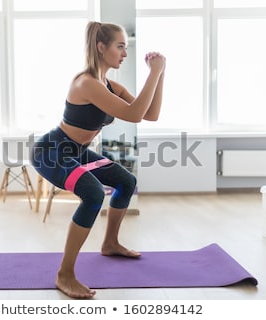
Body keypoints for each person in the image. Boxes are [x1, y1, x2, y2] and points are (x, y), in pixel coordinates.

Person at [31, 21, 165, 299]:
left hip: (76, 152)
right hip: (53, 151)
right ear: (101, 47)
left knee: (126, 181)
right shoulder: (87, 83)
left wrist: (160, 75)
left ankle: (110, 243)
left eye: (126, 48)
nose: (125, 54)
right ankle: (64, 274)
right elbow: (135, 115)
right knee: (92, 194)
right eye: (120, 47)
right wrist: (154, 71)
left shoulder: (109, 85)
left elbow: (150, 114)